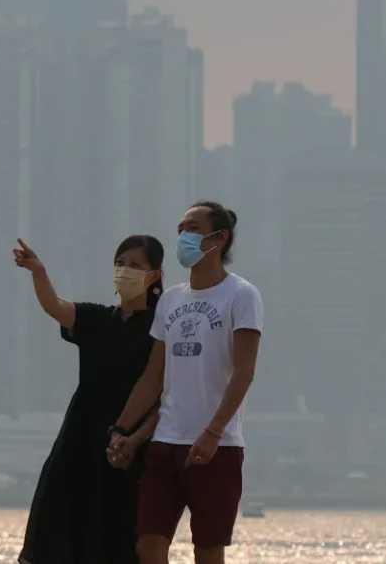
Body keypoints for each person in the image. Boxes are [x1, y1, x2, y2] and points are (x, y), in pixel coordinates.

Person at [107, 202, 261, 564]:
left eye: (192, 228)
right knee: (148, 546)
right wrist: (122, 430)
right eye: (180, 229)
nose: (183, 237)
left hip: (217, 448)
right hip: (165, 444)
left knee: (207, 550)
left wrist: (213, 431)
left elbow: (244, 372)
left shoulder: (241, 295)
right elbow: (153, 377)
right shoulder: (171, 299)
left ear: (219, 238)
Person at [14, 234, 164, 564]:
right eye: (120, 264)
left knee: (116, 537)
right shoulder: (98, 319)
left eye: (135, 265)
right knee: (58, 533)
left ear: (154, 275)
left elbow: (162, 392)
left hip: (126, 448)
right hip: (78, 439)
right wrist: (39, 272)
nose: (125, 271)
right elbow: (55, 306)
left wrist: (131, 437)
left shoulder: (161, 329)